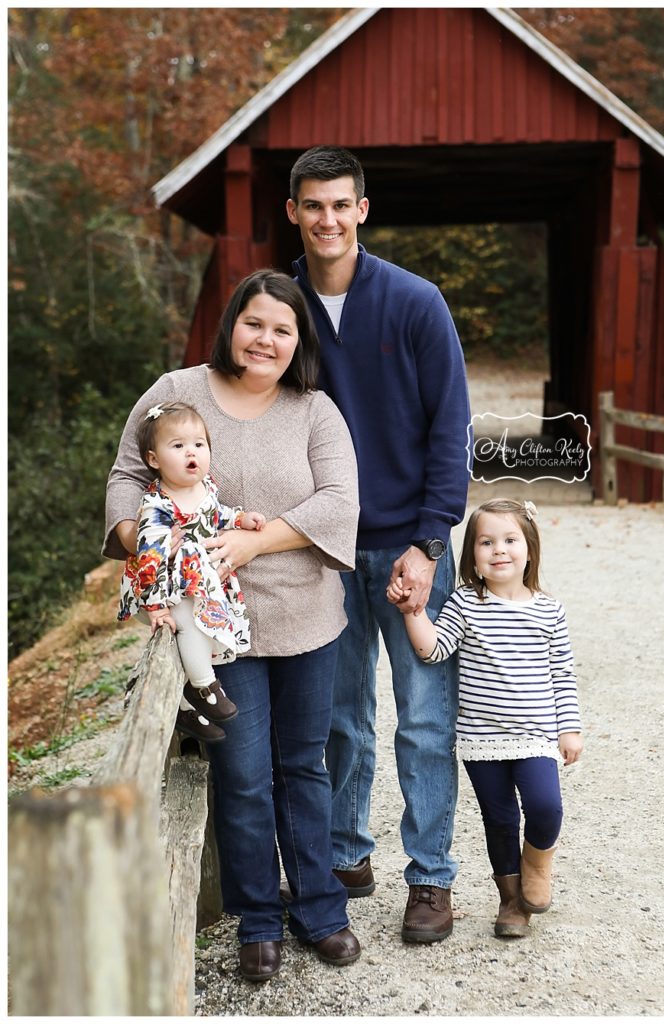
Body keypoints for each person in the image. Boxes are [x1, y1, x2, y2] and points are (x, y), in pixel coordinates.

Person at [103, 269, 361, 981]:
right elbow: (128, 471)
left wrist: (255, 541)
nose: (266, 340)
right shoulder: (174, 392)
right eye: (255, 323)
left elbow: (341, 502)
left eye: (284, 329)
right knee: (242, 773)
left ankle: (320, 910)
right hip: (218, 628)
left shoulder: (315, 411)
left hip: (306, 615)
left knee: (303, 766)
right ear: (232, 325)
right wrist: (138, 540)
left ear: (298, 340)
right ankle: (257, 920)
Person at [286, 145, 472, 943]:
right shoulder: (276, 307)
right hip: (321, 550)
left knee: (425, 718)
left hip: (409, 545)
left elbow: (450, 429)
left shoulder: (415, 301)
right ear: (293, 212)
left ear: (363, 209)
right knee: (340, 716)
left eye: (341, 204)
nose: (327, 219)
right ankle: (345, 854)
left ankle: (430, 879)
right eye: (312, 205)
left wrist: (430, 543)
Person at [387, 498, 583, 938]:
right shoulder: (465, 604)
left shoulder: (549, 611)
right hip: (482, 740)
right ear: (472, 554)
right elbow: (432, 650)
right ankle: (512, 903)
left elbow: (562, 675)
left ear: (529, 548)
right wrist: (414, 614)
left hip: (535, 737)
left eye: (510, 540)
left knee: (545, 807)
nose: (499, 550)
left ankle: (537, 866)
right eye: (486, 542)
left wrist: (569, 727)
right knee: (500, 820)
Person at [118, 400, 266, 744]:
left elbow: (214, 515)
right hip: (157, 587)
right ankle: (203, 685)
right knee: (189, 620)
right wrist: (156, 607)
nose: (192, 453)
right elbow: (150, 560)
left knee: (203, 620)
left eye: (199, 444)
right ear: (154, 460)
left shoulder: (205, 488)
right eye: (178, 446)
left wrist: (238, 520)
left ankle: (185, 707)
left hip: (192, 583)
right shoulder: (157, 505)